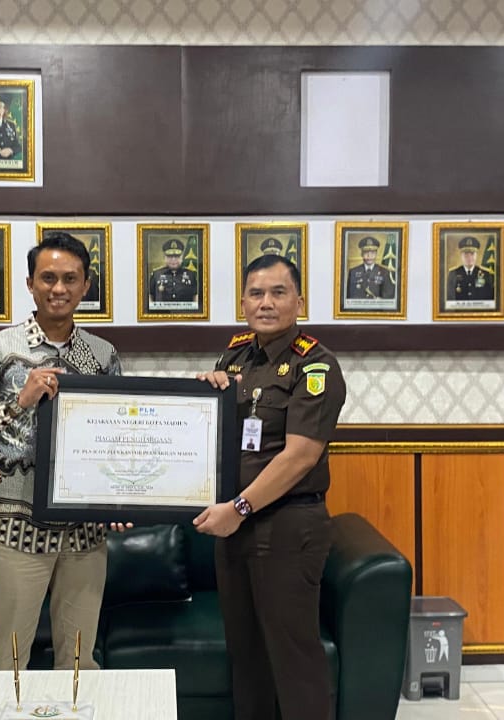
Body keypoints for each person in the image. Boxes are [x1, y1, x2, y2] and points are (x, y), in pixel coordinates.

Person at [0, 232, 127, 672]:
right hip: (17, 530)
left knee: (79, 663)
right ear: (30, 284)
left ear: (86, 286)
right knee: (9, 663)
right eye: (48, 277)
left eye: (70, 279)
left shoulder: (103, 355)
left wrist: (121, 496)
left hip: (84, 535)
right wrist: (17, 403)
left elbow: (118, 438)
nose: (58, 288)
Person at [194, 254, 347, 720]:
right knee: (247, 657)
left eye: (279, 293)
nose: (266, 303)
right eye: (256, 293)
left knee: (293, 659)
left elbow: (300, 455)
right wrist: (206, 393)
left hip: (287, 527)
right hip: (235, 527)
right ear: (243, 302)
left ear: (299, 301)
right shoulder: (235, 357)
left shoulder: (315, 365)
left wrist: (238, 508)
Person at [445, 235, 495, 301]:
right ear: (461, 255)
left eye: (472, 253)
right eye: (466, 254)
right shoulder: (453, 274)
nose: (469, 257)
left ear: (476, 255)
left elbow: (490, 298)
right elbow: (449, 298)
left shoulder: (486, 274)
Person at [344, 235, 395, 300]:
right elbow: (348, 297)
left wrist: (381, 301)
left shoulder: (385, 272)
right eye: (366, 253)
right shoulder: (353, 272)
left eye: (372, 253)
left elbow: (389, 296)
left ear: (376, 254)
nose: (369, 256)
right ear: (361, 254)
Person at [148, 238, 198, 303]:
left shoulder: (191, 275)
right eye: (170, 256)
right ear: (164, 257)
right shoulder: (156, 275)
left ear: (182, 257)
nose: (173, 259)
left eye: (177, 256)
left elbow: (195, 297)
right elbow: (150, 296)